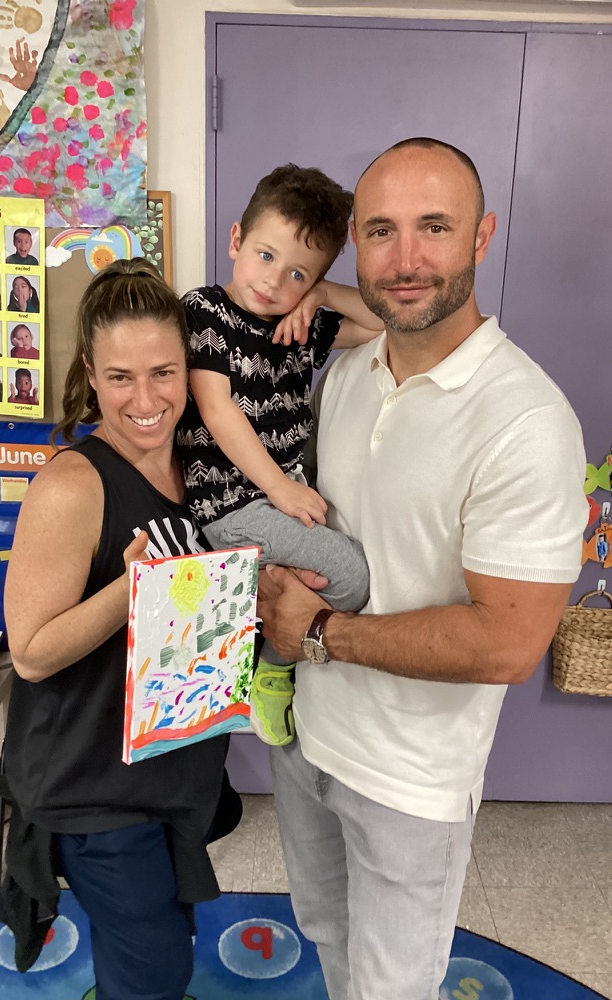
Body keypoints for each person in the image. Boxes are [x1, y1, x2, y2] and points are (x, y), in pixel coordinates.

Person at [256, 139, 587, 1000]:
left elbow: (508, 642)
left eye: (433, 228)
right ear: (355, 248)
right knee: (328, 939)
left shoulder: (526, 421)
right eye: (381, 232)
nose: (405, 259)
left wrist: (319, 635)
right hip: (308, 739)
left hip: (411, 779)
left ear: (482, 236)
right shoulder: (346, 377)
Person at [1, 258, 240, 1000]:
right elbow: (32, 651)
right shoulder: (72, 485)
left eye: (163, 372)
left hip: (169, 770)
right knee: (153, 979)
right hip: (92, 784)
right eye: (120, 377)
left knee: (154, 947)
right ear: (90, 375)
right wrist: (130, 588)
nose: (146, 400)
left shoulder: (201, 464)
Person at [177, 164, 382, 746]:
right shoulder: (205, 310)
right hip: (232, 505)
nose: (274, 282)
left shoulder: (301, 325)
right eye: (265, 256)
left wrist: (320, 296)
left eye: (297, 273)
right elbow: (216, 408)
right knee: (353, 576)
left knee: (334, 571)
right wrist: (280, 489)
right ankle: (273, 664)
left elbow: (382, 324)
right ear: (236, 240)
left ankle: (271, 615)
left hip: (274, 499)